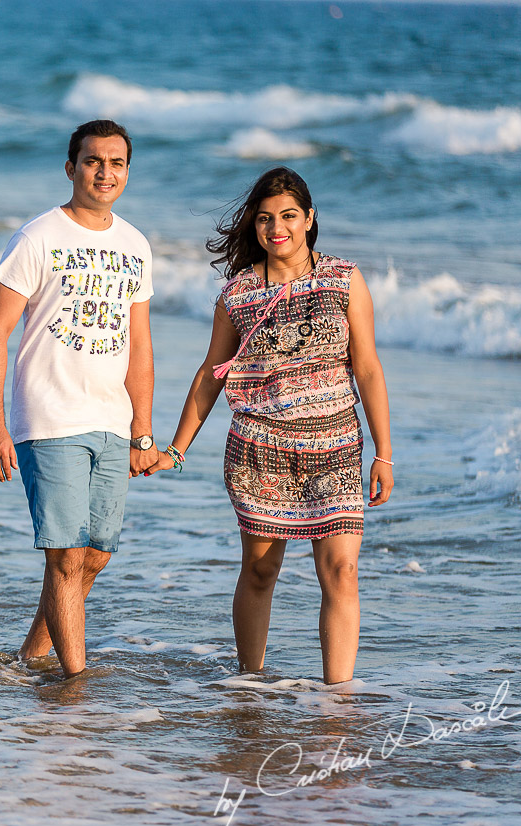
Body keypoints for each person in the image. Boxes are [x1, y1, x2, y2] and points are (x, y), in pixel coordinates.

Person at [147, 167, 393, 684]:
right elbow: (209, 376)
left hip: (337, 447)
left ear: (309, 219)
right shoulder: (235, 296)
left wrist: (383, 452)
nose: (275, 228)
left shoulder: (344, 279)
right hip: (261, 450)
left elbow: (367, 367)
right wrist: (176, 448)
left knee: (342, 572)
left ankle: (337, 701)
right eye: (264, 219)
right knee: (261, 571)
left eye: (286, 216)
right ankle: (250, 684)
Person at [0, 119, 158, 678]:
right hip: (50, 416)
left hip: (112, 419)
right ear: (70, 166)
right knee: (65, 555)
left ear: (127, 171)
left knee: (94, 556)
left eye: (117, 162)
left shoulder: (134, 244)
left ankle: (29, 658)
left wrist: (143, 432)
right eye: (93, 161)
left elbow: (140, 347)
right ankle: (75, 684)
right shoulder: (38, 237)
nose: (105, 172)